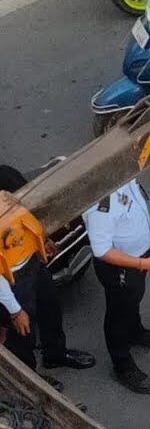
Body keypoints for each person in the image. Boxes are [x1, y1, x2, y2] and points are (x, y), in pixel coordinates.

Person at [0, 165, 95, 389]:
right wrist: (15, 310)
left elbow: (26, 220)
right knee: (22, 333)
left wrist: (41, 241)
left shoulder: (6, 193)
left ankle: (56, 354)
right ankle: (30, 381)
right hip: (12, 281)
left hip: (33, 265)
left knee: (50, 308)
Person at [82, 179, 150, 395]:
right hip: (121, 268)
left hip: (137, 258)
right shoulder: (101, 206)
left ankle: (135, 331)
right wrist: (144, 264)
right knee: (119, 312)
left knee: (133, 299)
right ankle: (122, 365)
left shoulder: (125, 177)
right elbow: (102, 250)